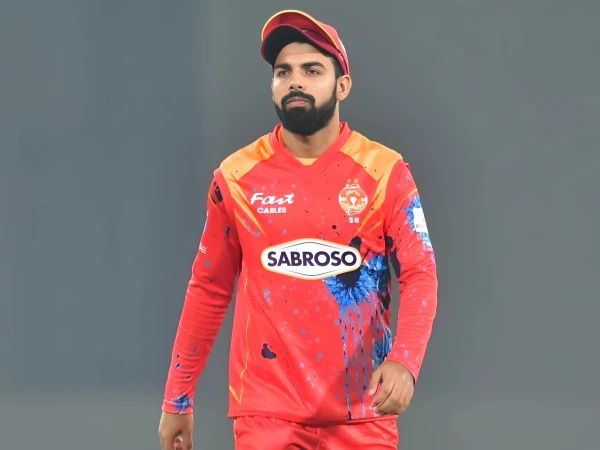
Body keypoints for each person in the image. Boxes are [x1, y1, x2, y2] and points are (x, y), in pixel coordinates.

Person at [158, 9, 438, 450]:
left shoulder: (385, 172)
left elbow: (420, 273)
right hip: (267, 418)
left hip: (363, 415)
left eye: (312, 70)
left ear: (342, 86)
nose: (295, 82)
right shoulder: (236, 177)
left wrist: (406, 361)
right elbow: (208, 288)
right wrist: (178, 397)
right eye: (283, 72)